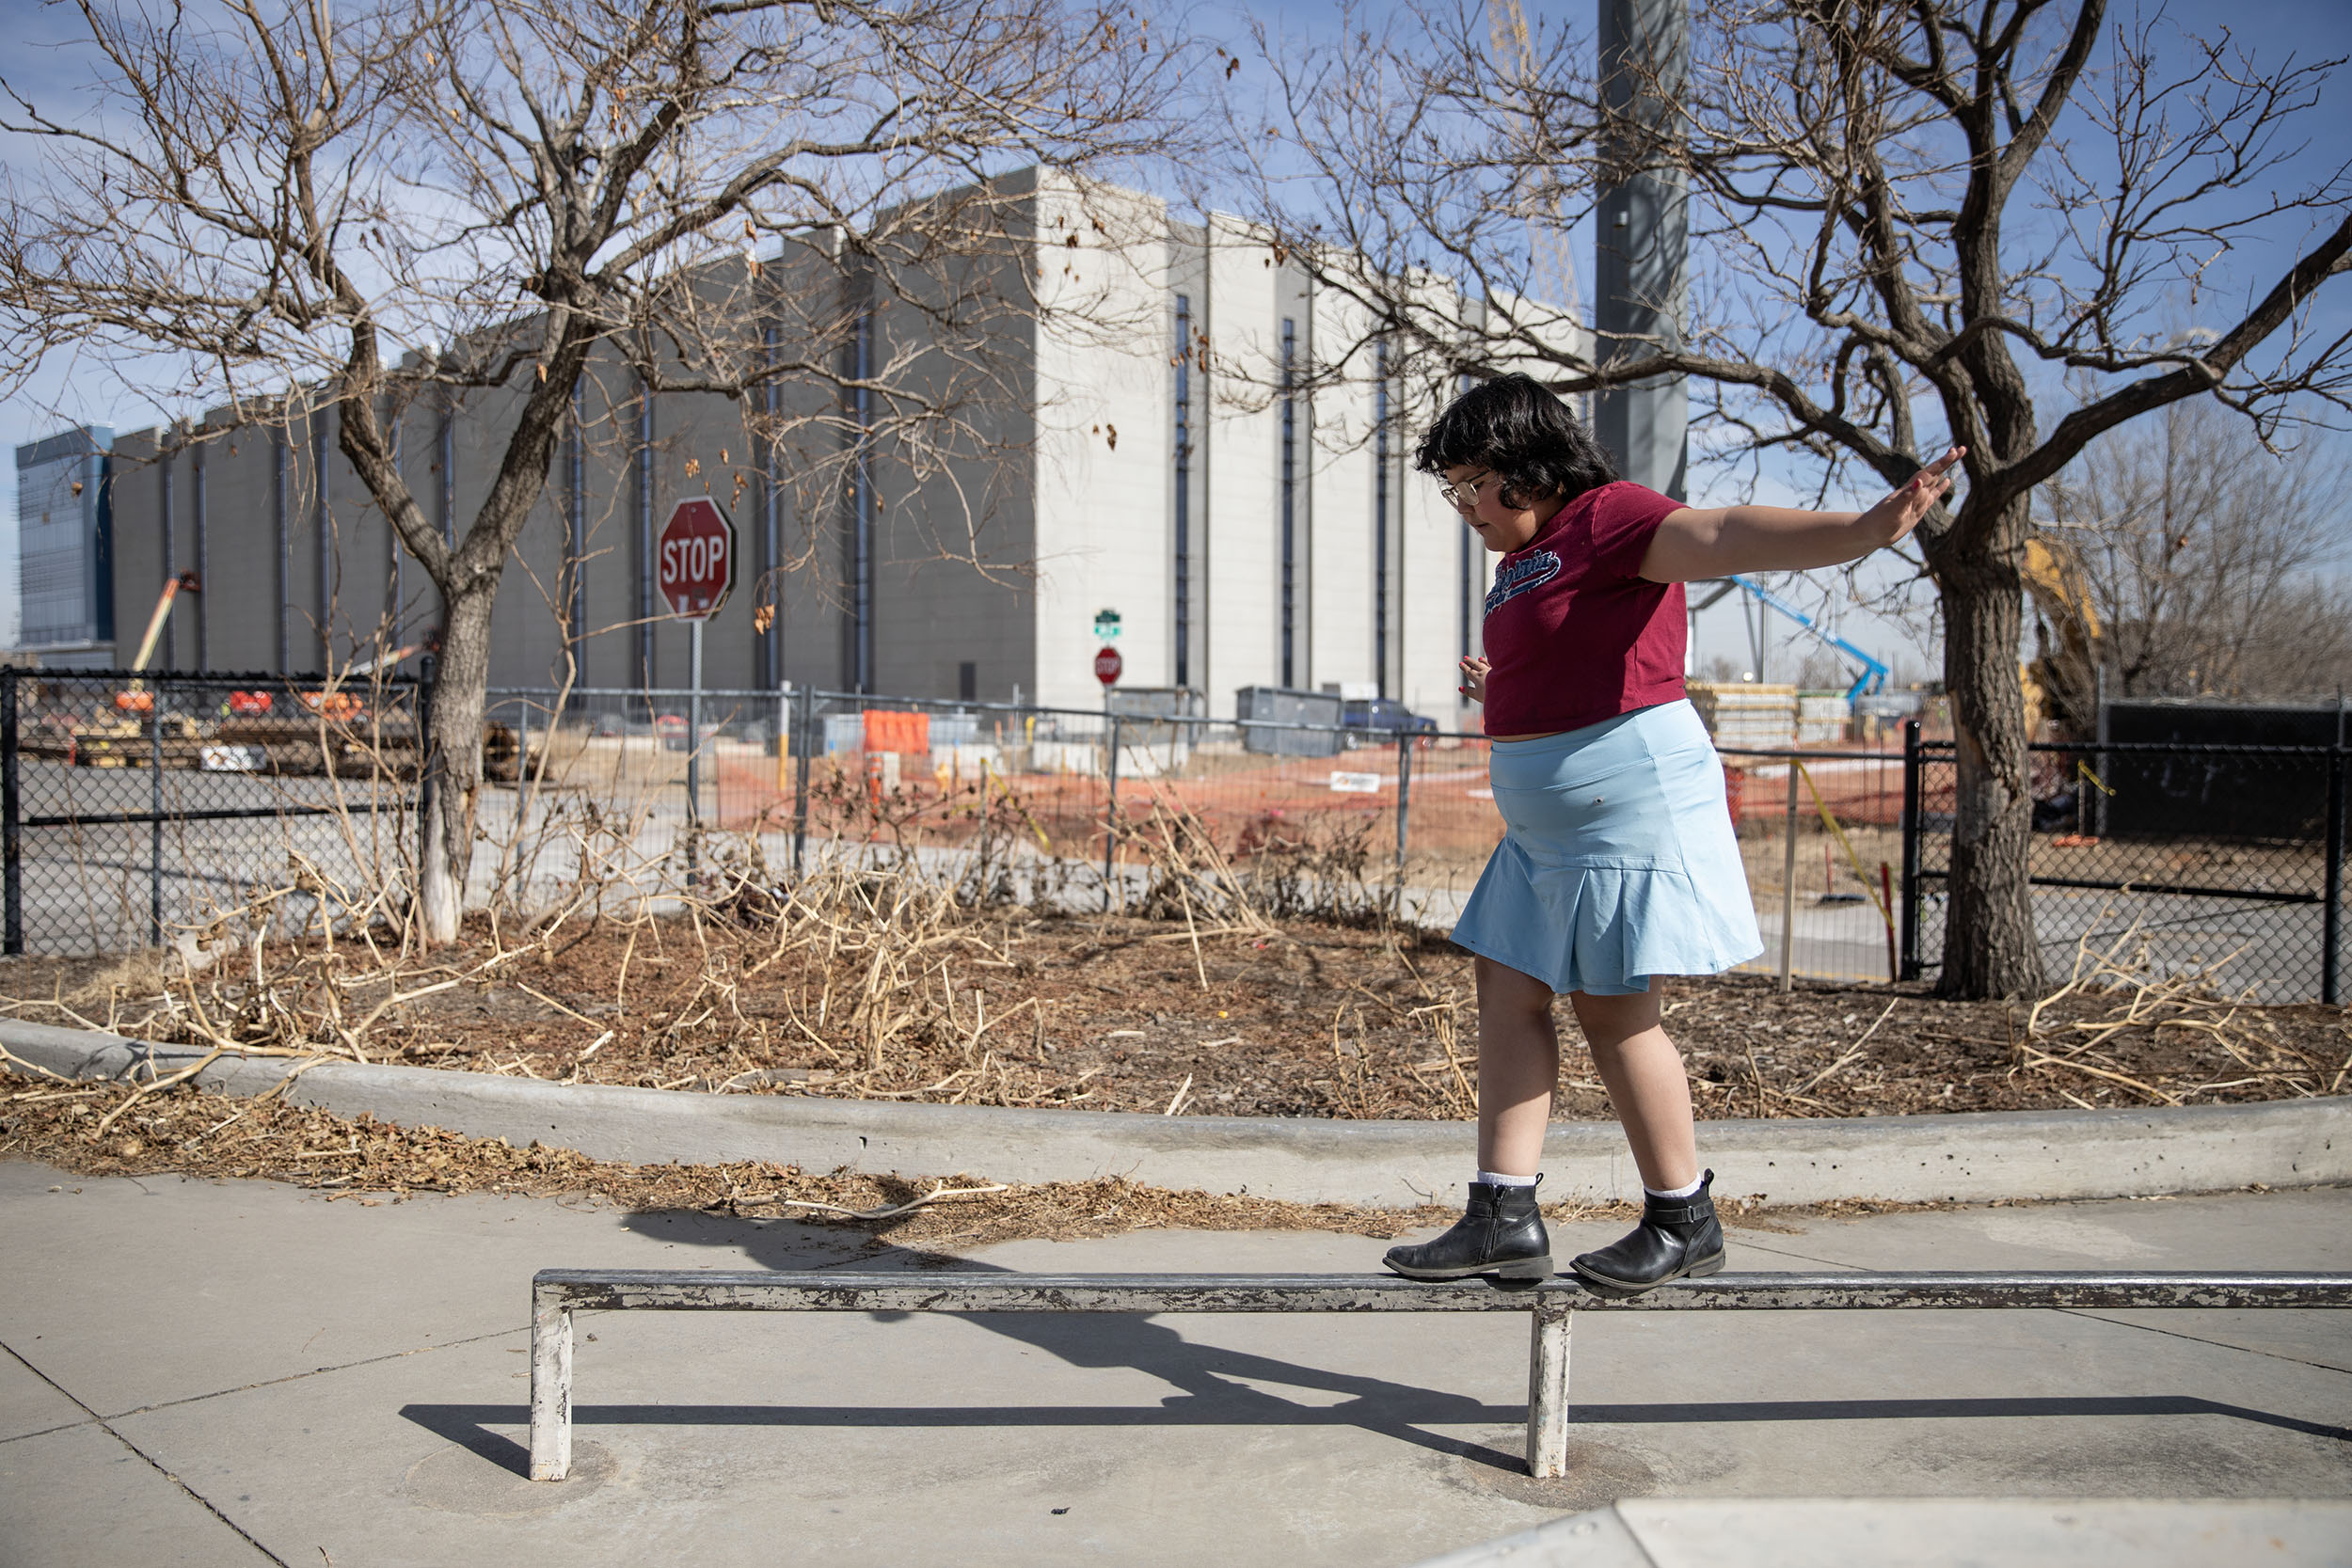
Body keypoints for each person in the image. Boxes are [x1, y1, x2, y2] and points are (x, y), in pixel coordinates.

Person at [1381, 374, 1960, 1293]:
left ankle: (1681, 1214)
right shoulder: (1520, 562)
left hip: (1627, 804)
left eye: (1471, 485)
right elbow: (1571, 649)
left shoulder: (1610, 515)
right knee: (1507, 981)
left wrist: (1862, 530)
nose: (1464, 509)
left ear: (1527, 470)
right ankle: (1503, 1209)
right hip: (1546, 827)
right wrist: (1505, 677)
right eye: (1453, 490)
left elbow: (1721, 533)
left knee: (1611, 1005)